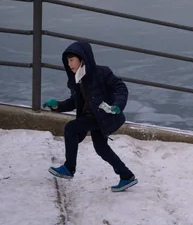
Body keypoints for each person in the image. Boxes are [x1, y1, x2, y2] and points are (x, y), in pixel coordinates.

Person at [44, 41, 137, 192]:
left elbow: (120, 88)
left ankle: (69, 168)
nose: (69, 64)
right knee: (101, 148)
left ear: (82, 58)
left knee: (71, 128)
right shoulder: (77, 79)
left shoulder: (102, 73)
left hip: (104, 116)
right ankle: (126, 176)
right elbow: (74, 102)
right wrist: (57, 106)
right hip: (92, 117)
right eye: (67, 61)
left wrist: (118, 105)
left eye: (72, 60)